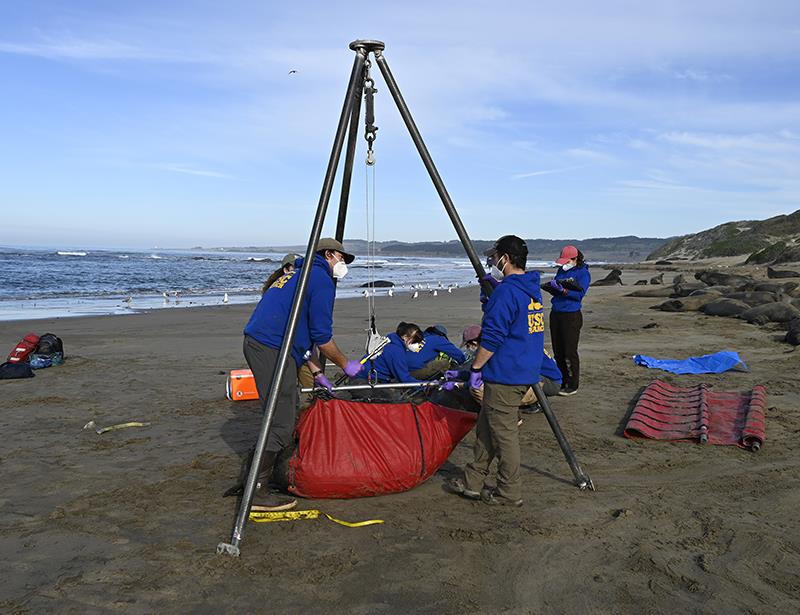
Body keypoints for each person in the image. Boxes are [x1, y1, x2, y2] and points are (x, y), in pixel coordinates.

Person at [242, 238, 362, 511]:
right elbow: (322, 336)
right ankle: (257, 491)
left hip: (266, 343)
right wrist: (345, 364)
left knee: (284, 408)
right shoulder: (318, 278)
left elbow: (303, 333)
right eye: (341, 258)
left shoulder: (300, 272)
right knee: (281, 419)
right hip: (271, 346)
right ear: (329, 254)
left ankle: (252, 478)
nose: (343, 265)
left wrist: (318, 372)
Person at [447, 235, 544, 507]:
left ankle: (509, 491)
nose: (492, 261)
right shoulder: (529, 289)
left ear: (506, 259)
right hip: (521, 369)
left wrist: (475, 367)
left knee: (504, 434)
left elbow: (492, 337)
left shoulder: (508, 292)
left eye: (494, 257)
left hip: (507, 374)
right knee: (486, 430)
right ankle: (473, 481)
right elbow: (515, 325)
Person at [541, 245, 590, 396]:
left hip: (571, 315)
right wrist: (553, 288)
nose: (564, 264)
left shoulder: (583, 273)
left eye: (566, 261)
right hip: (556, 312)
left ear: (575, 259)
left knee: (569, 351)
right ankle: (562, 380)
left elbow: (579, 295)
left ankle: (572, 384)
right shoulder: (562, 270)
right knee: (558, 350)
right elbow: (557, 286)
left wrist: (564, 291)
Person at [355, 322, 424, 384]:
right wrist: (425, 385)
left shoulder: (390, 341)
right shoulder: (396, 350)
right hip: (366, 380)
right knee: (397, 397)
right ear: (405, 337)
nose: (417, 345)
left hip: (361, 374)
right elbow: (404, 379)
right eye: (415, 341)